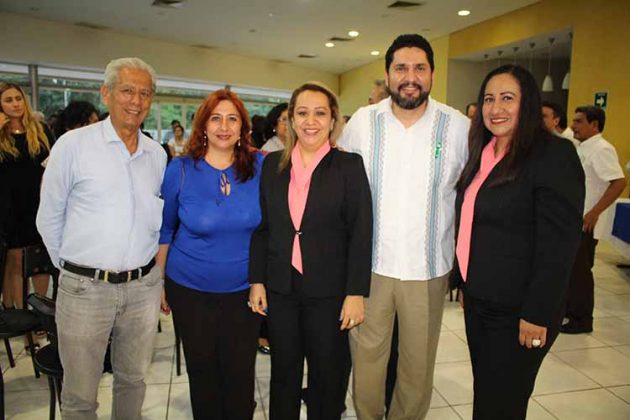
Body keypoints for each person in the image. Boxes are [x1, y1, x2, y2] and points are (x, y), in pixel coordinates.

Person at [339, 34, 470, 419]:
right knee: (366, 360)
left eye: (419, 68)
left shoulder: (458, 128)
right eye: (401, 68)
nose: (409, 77)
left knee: (417, 364)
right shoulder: (363, 122)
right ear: (388, 74)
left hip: (427, 271)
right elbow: (341, 185)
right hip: (371, 268)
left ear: (432, 73)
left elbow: (473, 193)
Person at [451, 64, 585, 419]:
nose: (496, 108)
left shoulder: (553, 155)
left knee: (503, 402)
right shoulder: (485, 152)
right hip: (481, 299)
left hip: (520, 309)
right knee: (488, 393)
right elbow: (475, 226)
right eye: (489, 99)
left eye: (507, 98)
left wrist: (537, 312)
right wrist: (466, 282)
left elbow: (558, 246)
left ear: (527, 103)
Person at [36, 57, 166, 420]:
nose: (136, 101)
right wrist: (73, 270)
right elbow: (49, 217)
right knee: (79, 394)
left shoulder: (156, 154)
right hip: (84, 289)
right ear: (106, 94)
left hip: (142, 288)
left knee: (133, 381)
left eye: (144, 93)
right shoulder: (72, 145)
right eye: (127, 91)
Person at [249, 82, 372, 420]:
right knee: (283, 373)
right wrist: (257, 280)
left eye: (320, 113)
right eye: (301, 113)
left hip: (329, 293)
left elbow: (361, 233)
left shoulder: (349, 166)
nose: (310, 121)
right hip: (282, 289)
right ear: (290, 120)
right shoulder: (273, 165)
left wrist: (355, 292)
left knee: (327, 377)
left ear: (333, 120)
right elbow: (263, 229)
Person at [158, 89, 264, 419]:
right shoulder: (181, 169)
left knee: (240, 373)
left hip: (245, 291)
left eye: (232, 118)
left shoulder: (261, 166)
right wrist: (159, 282)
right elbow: (165, 230)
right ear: (202, 125)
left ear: (243, 127)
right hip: (189, 289)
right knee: (203, 373)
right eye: (215, 118)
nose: (224, 126)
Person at [562, 105, 626, 334]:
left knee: (580, 273)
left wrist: (594, 212)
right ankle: (570, 312)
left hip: (586, 222)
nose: (573, 125)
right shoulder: (581, 147)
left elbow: (618, 182)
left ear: (594, 125)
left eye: (579, 121)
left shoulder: (601, 149)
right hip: (573, 219)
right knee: (570, 271)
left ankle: (582, 320)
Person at [0, 82, 53, 320]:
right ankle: (19, 314)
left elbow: (53, 163)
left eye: (18, 98)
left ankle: (40, 312)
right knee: (16, 261)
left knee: (40, 259)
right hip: (8, 206)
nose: (15, 104)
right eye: (8, 100)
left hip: (39, 202)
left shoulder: (40, 130)